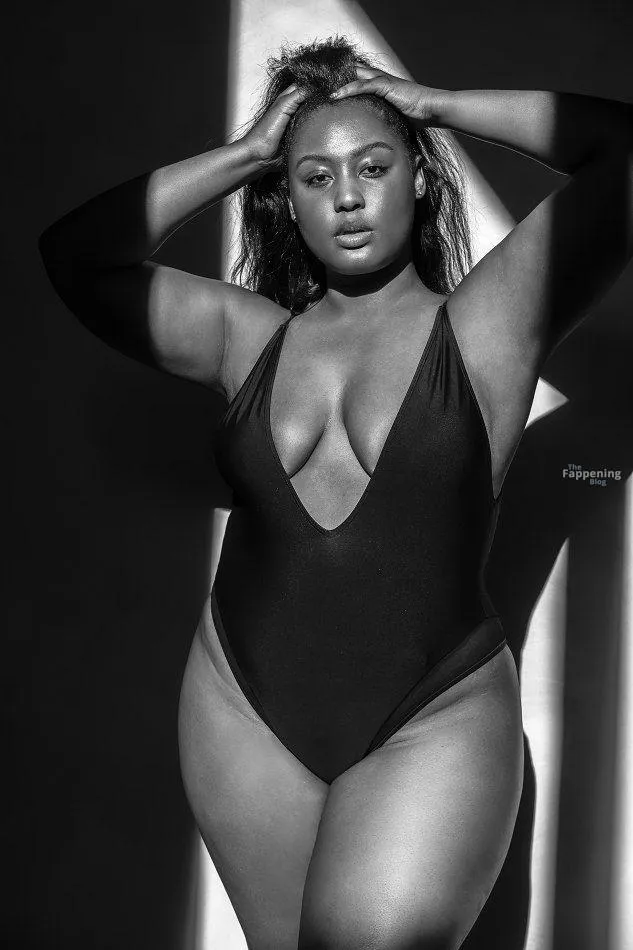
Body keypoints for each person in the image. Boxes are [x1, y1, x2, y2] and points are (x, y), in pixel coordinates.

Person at [39, 35, 633, 950]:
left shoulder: (488, 324)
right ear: (285, 199)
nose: (347, 196)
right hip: (242, 710)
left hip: (431, 711)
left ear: (420, 178)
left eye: (374, 166)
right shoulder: (242, 336)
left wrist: (436, 104)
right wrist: (245, 154)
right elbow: (75, 256)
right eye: (315, 177)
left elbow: (621, 152)